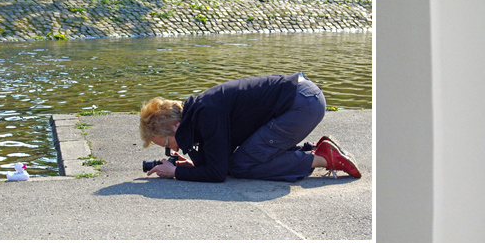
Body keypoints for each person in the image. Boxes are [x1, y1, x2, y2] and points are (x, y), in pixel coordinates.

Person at [139, 73, 361, 183]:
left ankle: (325, 158)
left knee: (242, 165)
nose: (173, 151)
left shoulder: (207, 114)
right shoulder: (198, 113)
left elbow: (218, 173)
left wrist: (176, 172)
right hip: (303, 98)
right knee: (245, 157)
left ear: (176, 126)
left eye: (167, 145)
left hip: (301, 105)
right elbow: (218, 159)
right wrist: (192, 166)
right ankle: (311, 149)